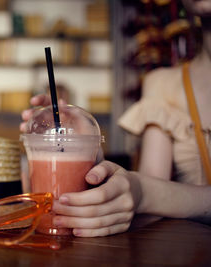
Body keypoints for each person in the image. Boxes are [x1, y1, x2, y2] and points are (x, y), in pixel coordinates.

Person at [20, 0, 211, 237]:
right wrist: (87, 157)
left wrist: (142, 191)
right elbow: (151, 204)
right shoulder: (161, 84)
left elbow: (150, 193)